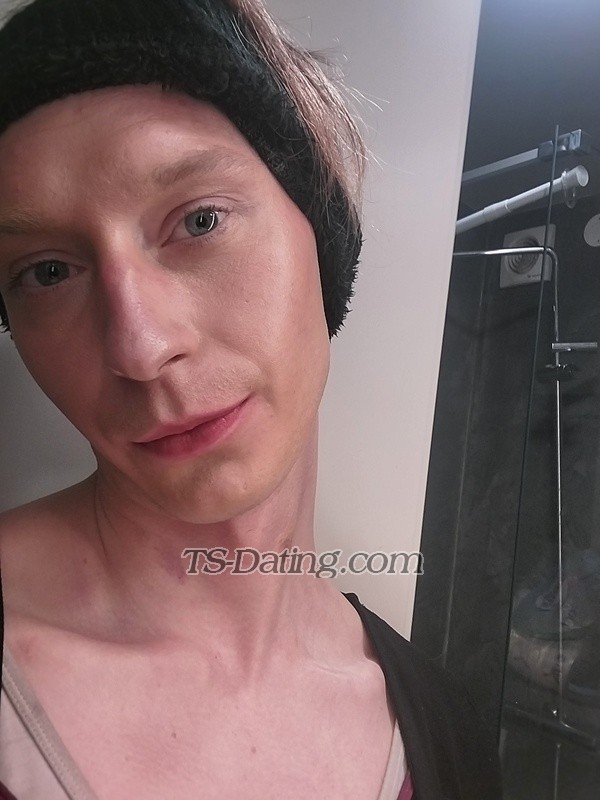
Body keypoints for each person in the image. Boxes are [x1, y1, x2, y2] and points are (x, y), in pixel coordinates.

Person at [0, 0, 503, 798]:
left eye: (199, 220)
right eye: (48, 272)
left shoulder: (444, 735)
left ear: (321, 232)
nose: (140, 348)